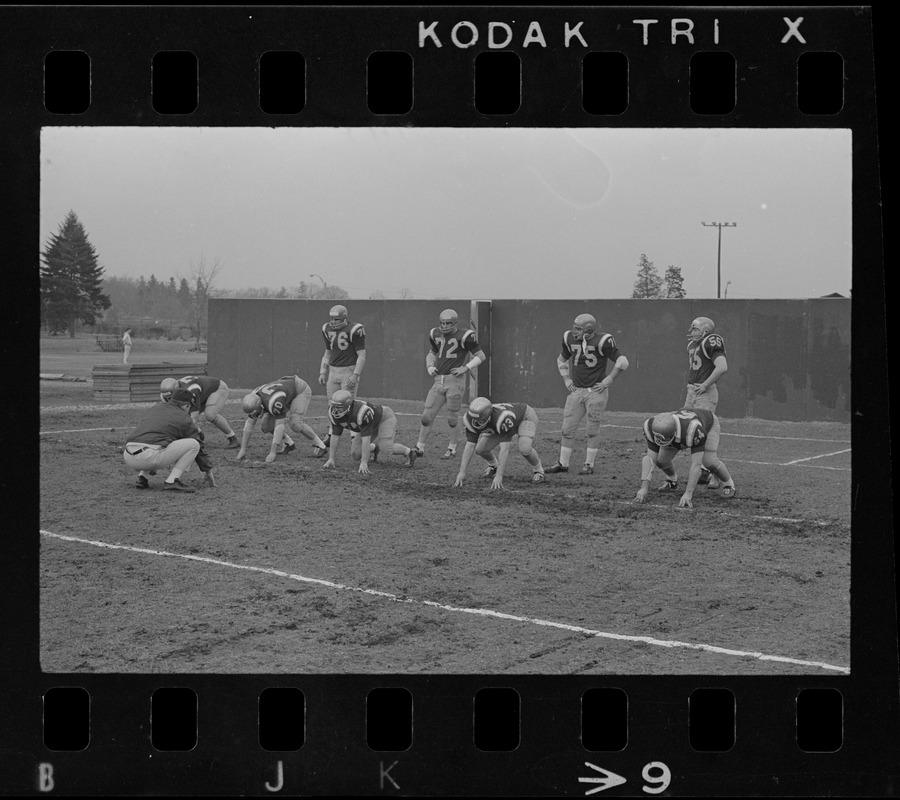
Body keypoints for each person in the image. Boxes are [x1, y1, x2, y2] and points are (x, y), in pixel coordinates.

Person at [545, 313, 629, 476]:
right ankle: (563, 464)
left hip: (595, 392)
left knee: (592, 430)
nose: (574, 331)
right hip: (577, 391)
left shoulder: (603, 341)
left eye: (578, 328)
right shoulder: (568, 338)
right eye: (574, 327)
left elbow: (623, 361)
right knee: (567, 429)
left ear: (588, 330)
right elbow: (561, 360)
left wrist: (609, 380)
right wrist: (566, 379)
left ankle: (589, 464)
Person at [413, 308, 487, 460]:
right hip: (438, 379)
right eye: (442, 323)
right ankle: (419, 447)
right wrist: (430, 366)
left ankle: (452, 448)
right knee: (426, 416)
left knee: (452, 418)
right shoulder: (435, 334)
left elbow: (481, 355)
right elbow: (432, 353)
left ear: (454, 323)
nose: (444, 326)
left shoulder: (465, 335)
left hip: (455, 380)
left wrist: (465, 367)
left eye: (447, 323)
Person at [633, 406, 736, 509]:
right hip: (678, 434)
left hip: (708, 424)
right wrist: (644, 488)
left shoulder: (693, 430)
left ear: (674, 432)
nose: (658, 441)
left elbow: (696, 464)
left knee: (709, 461)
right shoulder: (652, 426)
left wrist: (688, 494)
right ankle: (672, 481)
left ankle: (729, 484)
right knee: (661, 461)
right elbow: (651, 459)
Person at [122, 388, 215, 493]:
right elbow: (198, 444)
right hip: (148, 457)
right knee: (193, 444)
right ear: (186, 405)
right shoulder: (184, 418)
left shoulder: (156, 407)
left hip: (128, 455)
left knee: (159, 440)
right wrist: (207, 469)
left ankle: (142, 477)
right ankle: (172, 481)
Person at [453, 397, 545, 491]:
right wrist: (462, 472)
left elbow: (504, 449)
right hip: (501, 424)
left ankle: (539, 471)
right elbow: (470, 446)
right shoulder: (469, 419)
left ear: (488, 415)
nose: (476, 422)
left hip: (524, 417)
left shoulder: (501, 418)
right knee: (480, 449)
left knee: (524, 448)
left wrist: (499, 476)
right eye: (474, 418)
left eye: (479, 419)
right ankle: (493, 465)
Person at [235, 375, 328, 463]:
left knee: (295, 423)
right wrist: (243, 449)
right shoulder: (254, 397)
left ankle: (321, 445)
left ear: (260, 405)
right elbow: (249, 424)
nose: (255, 416)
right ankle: (289, 444)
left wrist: (273, 452)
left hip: (299, 390)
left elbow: (280, 426)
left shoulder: (273, 402)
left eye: (256, 412)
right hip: (282, 393)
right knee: (266, 427)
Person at [322, 390, 417, 474]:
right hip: (368, 423)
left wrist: (364, 463)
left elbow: (366, 439)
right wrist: (331, 459)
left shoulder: (361, 413)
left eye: (338, 407)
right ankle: (374, 448)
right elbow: (335, 436)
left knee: (386, 448)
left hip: (383, 418)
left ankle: (410, 452)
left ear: (348, 405)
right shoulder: (334, 413)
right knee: (355, 455)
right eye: (334, 406)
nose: (335, 410)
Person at [684, 316, 729, 487]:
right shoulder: (692, 345)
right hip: (692, 391)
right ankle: (705, 469)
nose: (692, 332)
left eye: (695, 328)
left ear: (706, 331)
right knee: (690, 430)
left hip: (705, 392)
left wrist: (705, 384)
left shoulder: (711, 341)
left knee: (702, 433)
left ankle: (713, 471)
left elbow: (722, 367)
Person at [160, 375, 239, 448]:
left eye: (171, 397)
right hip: (201, 393)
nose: (170, 400)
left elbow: (194, 417)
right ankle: (200, 434)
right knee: (184, 416)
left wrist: (193, 438)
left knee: (210, 415)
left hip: (217, 389)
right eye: (168, 397)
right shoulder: (167, 393)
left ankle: (232, 438)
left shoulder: (191, 389)